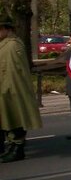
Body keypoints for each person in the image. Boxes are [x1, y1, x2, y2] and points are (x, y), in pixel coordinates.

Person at [0, 18, 43, 162]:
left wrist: (7, 89)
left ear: (7, 29)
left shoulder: (13, 45)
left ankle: (17, 149)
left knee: (15, 119)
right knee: (8, 121)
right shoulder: (4, 44)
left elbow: (13, 72)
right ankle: (12, 147)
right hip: (5, 90)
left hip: (11, 90)